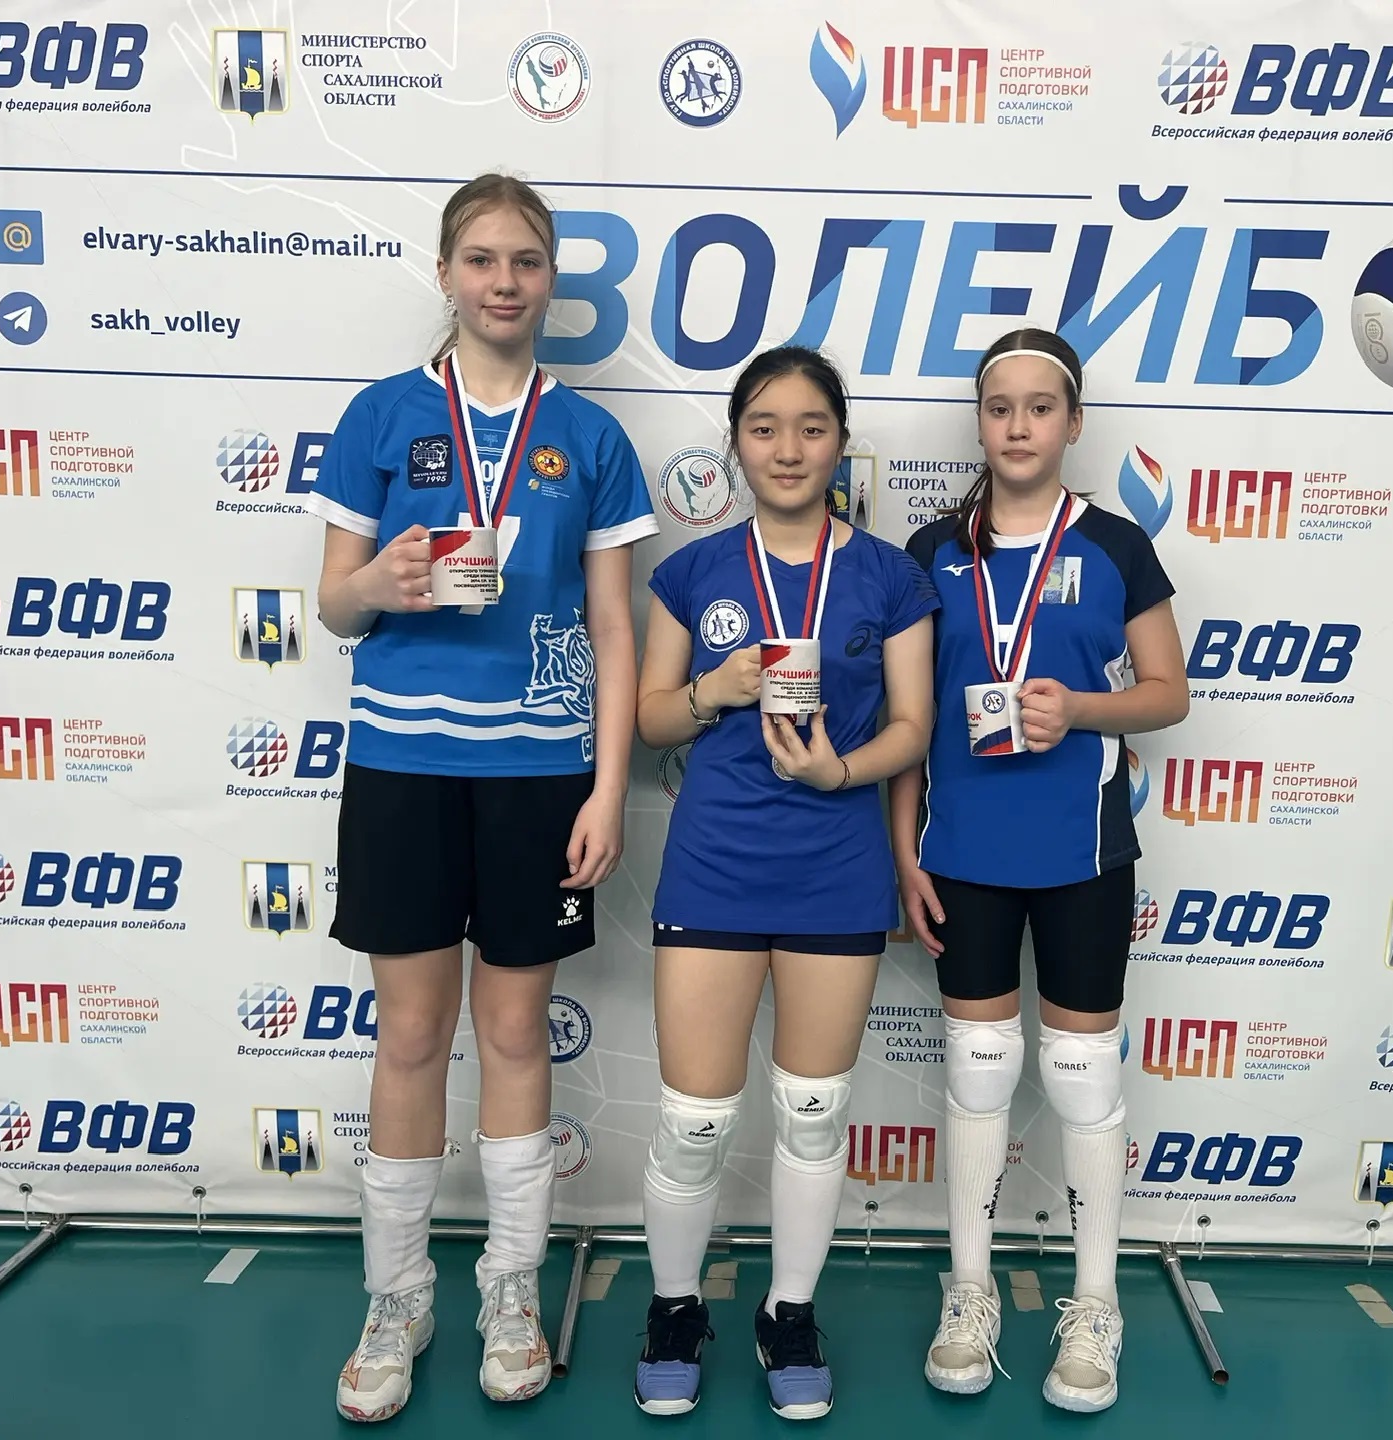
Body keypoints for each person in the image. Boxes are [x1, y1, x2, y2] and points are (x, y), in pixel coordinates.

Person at [307, 172, 658, 1423]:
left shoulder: (592, 439)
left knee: (514, 1034)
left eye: (525, 261)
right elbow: (331, 603)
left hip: (537, 777)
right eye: (482, 259)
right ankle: (396, 1297)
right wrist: (380, 584)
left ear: (549, 279)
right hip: (403, 767)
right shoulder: (382, 414)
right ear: (447, 272)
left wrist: (608, 789)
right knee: (410, 1037)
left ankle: (510, 1290)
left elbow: (613, 628)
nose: (504, 282)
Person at [632, 346, 938, 1419]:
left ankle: (789, 1315)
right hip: (714, 866)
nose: (789, 448)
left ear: (840, 441)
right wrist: (712, 689)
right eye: (765, 428)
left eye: (812, 427)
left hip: (836, 869)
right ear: (736, 443)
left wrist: (838, 772)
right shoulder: (694, 571)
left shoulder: (891, 576)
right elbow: (648, 719)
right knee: (695, 1120)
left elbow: (915, 726)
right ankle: (676, 1308)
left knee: (813, 1113)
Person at [889, 327, 1188, 1414]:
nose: (1018, 426)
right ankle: (968, 1294)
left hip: (1081, 850)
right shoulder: (932, 549)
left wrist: (1083, 710)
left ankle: (1095, 1306)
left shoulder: (1115, 544)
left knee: (1080, 1076)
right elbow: (910, 721)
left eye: (1040, 407)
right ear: (980, 421)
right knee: (978, 1068)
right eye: (999, 406)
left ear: (1074, 422)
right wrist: (903, 853)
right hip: (963, 851)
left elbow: (1168, 692)